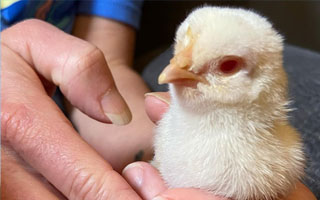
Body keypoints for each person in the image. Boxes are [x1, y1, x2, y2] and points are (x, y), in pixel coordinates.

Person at [1, 1, 316, 199]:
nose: (176, 69)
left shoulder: (276, 155)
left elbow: (106, 62)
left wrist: (134, 142)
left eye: (227, 65)